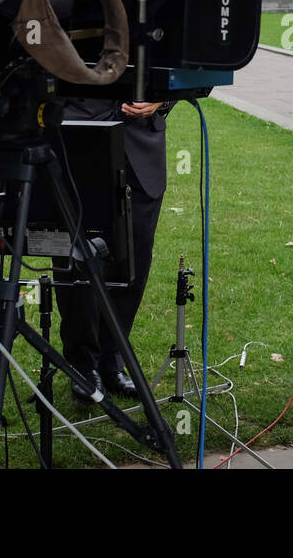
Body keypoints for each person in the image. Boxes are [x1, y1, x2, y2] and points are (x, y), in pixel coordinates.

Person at [53, 98, 169, 401]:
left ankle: (112, 361)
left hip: (141, 147)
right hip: (75, 138)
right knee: (76, 259)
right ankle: (82, 365)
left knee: (134, 260)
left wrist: (161, 100)